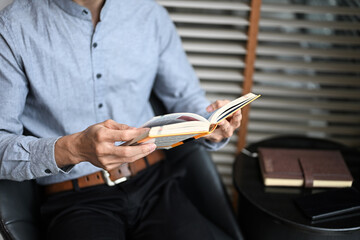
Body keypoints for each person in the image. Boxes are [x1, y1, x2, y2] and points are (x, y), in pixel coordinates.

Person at [0, 0, 242, 239]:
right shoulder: (13, 26)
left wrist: (211, 123)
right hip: (75, 200)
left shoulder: (149, 14)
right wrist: (74, 149)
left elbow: (186, 99)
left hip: (155, 183)